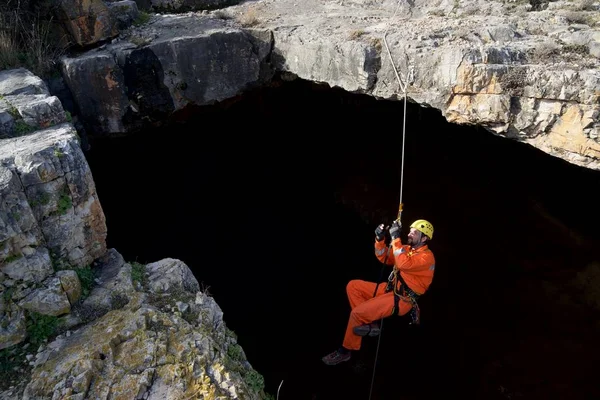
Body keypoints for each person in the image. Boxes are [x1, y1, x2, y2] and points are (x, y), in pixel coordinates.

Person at [321, 218, 436, 366]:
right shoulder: (407, 250)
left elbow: (402, 263)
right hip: (390, 289)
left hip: (401, 299)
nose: (410, 234)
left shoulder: (427, 258)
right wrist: (379, 239)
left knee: (357, 313)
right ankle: (371, 323)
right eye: (410, 231)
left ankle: (345, 351)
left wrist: (395, 238)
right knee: (353, 286)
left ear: (424, 238)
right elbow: (384, 257)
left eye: (415, 233)